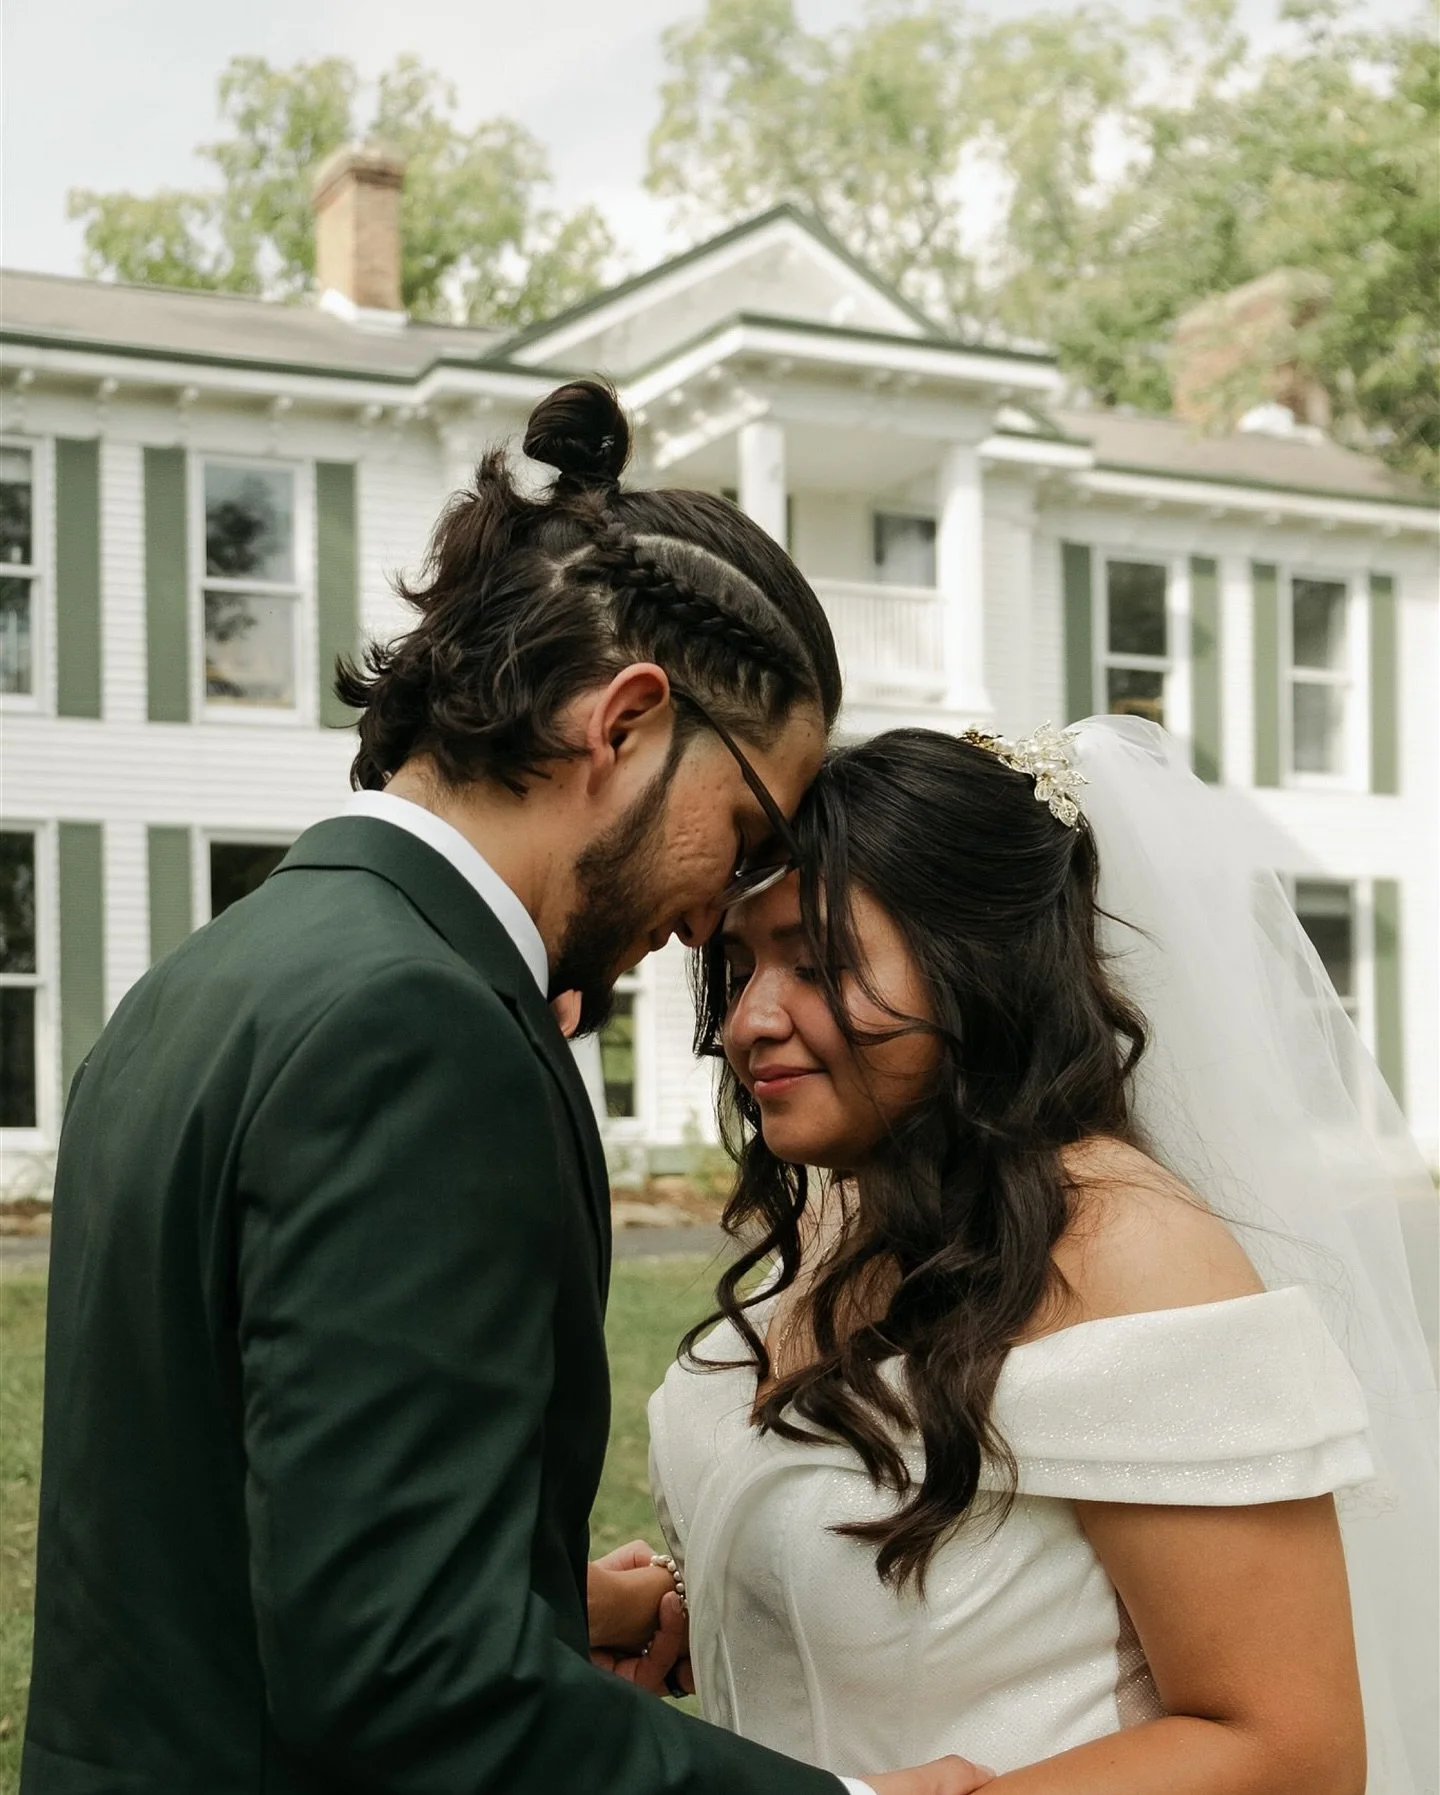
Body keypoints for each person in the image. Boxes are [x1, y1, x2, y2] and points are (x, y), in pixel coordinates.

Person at [22, 381, 989, 1795]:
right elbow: (407, 1679)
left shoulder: (213, 975)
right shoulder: (422, 1029)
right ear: (628, 720)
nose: (725, 908)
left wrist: (536, 1605)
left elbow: (208, 1521)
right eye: (749, 827)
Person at [650, 719, 1438, 1793]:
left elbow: (1290, 1748)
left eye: (819, 961)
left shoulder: (1137, 1257)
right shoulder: (848, 1220)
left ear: (976, 968)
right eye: (739, 966)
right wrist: (681, 1609)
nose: (748, 1022)